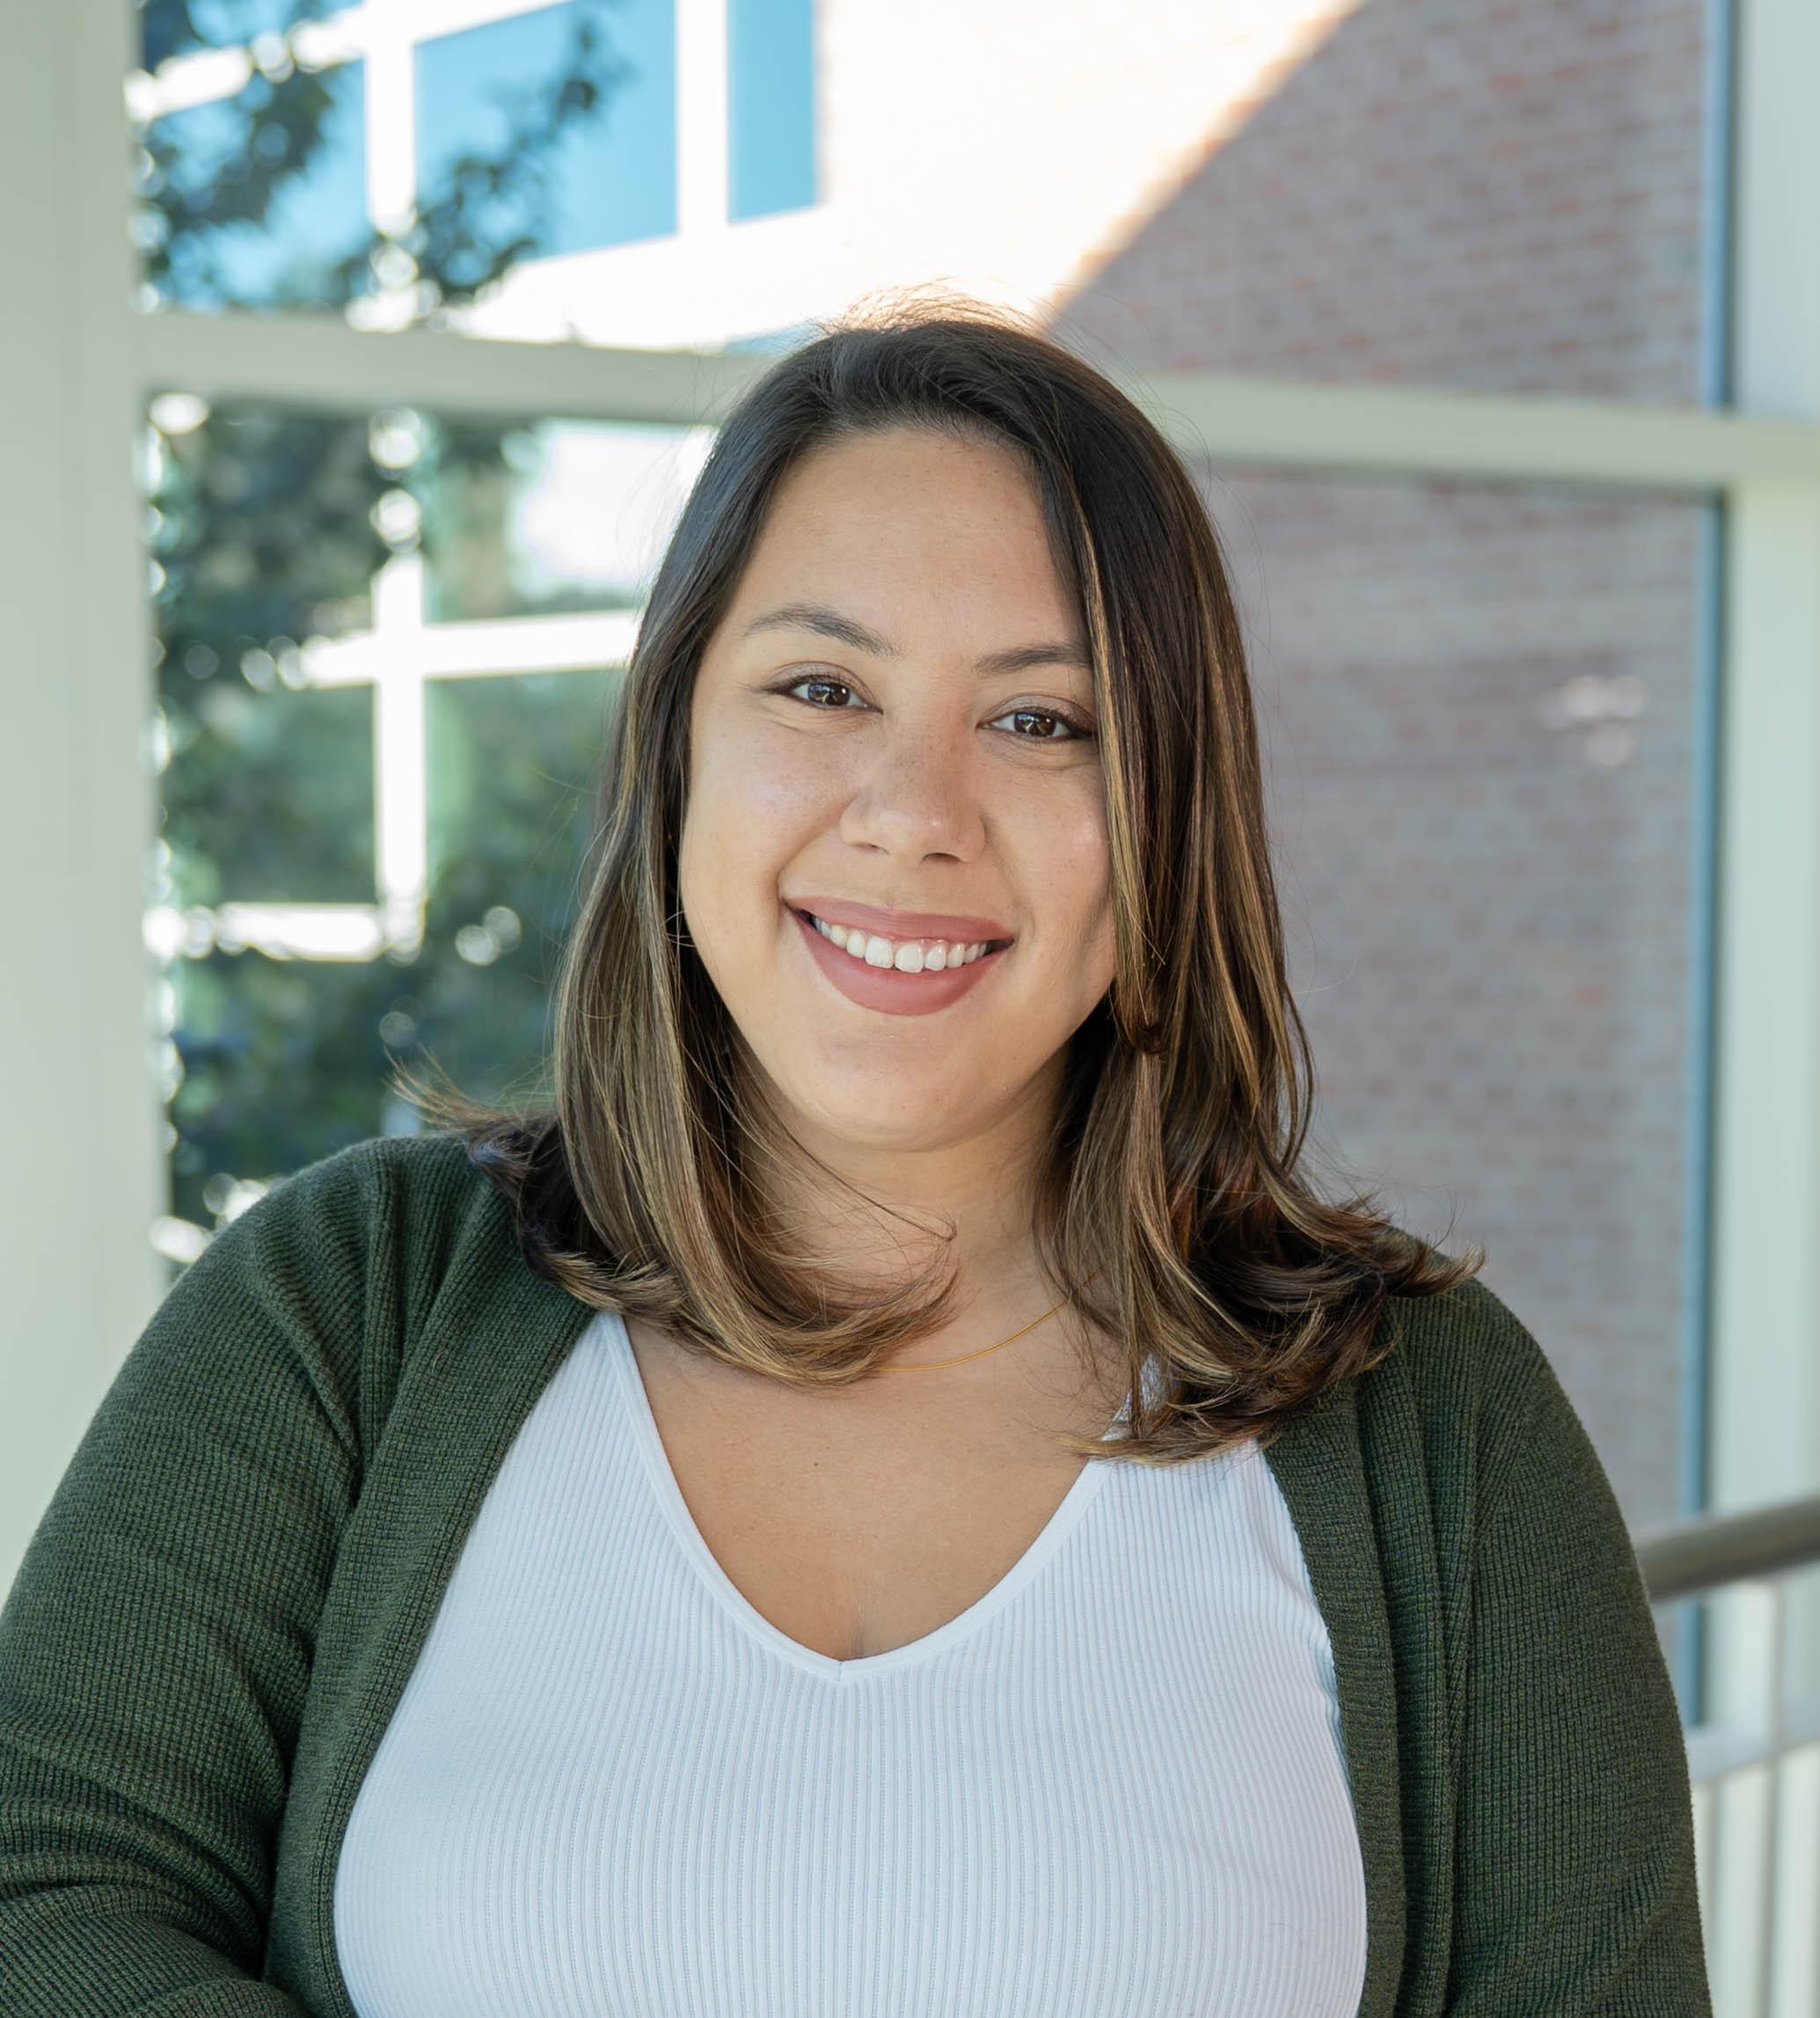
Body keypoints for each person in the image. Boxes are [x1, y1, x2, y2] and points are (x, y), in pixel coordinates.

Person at [0, 299, 1709, 2017]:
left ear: (1168, 810)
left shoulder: (1441, 1432)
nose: (914, 809)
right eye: (823, 686)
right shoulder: (344, 1310)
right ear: (675, 745)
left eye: (1044, 721)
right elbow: (51, 1886)